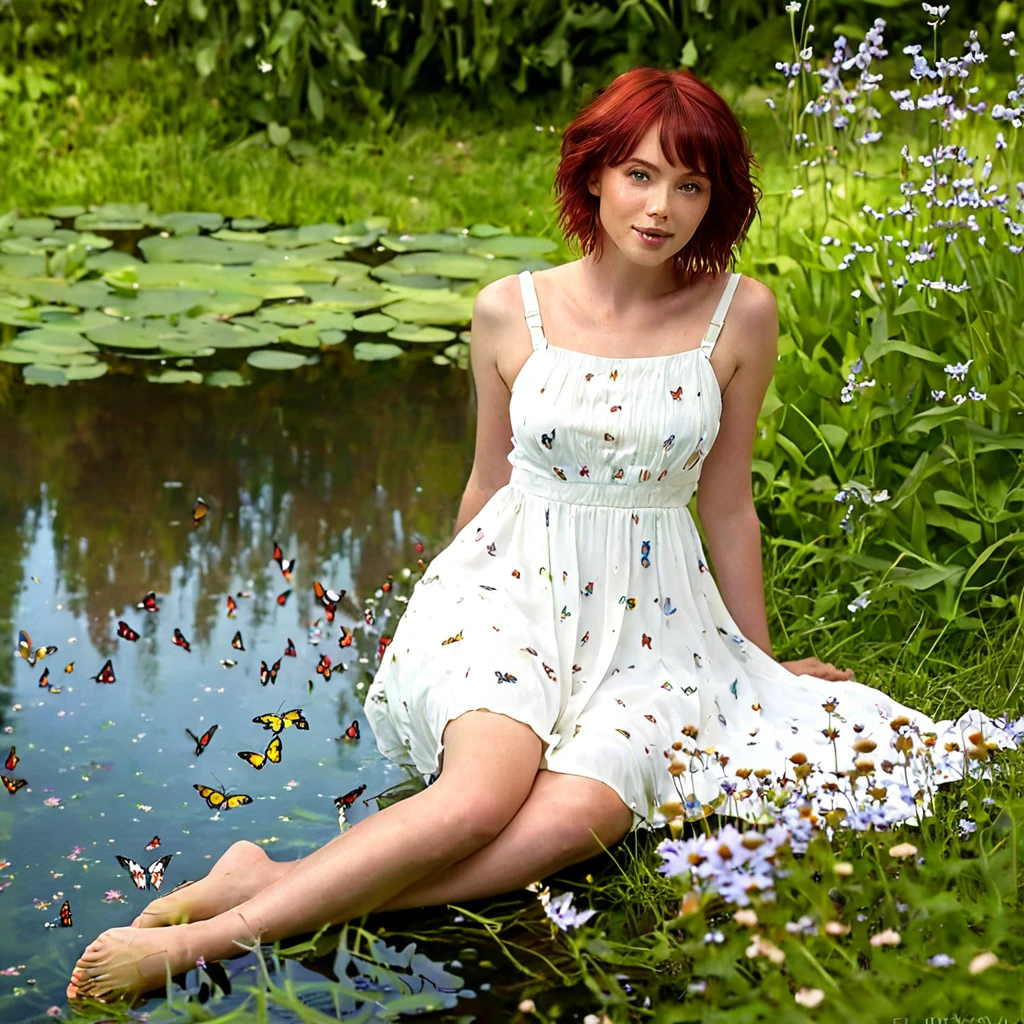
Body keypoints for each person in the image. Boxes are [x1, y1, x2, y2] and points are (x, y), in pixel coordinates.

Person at [66, 65, 1015, 1004]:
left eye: (691, 184)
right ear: (595, 173)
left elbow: (727, 504)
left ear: (716, 198)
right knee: (479, 800)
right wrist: (448, 618)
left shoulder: (741, 314)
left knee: (572, 822)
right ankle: (212, 943)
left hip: (655, 630)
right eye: (640, 174)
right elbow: (486, 481)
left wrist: (752, 672)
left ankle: (262, 884)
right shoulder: (507, 311)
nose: (661, 207)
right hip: (508, 593)